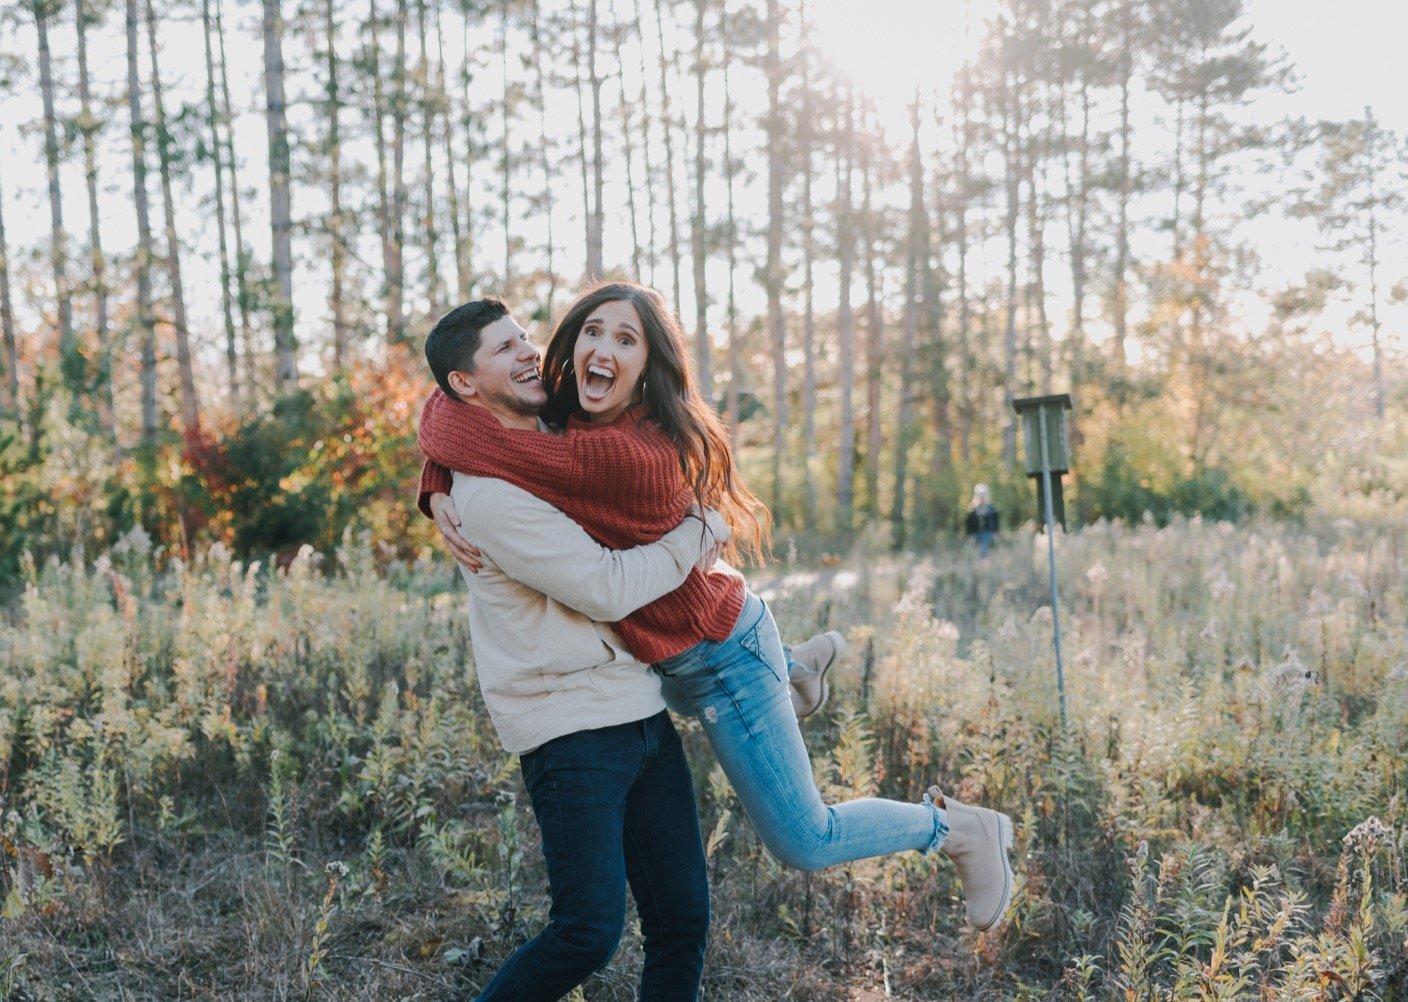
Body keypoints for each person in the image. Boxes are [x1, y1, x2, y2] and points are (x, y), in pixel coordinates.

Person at [416, 282, 1015, 933]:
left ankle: (959, 829)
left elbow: (479, 432)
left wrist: (450, 474)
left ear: (649, 368)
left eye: (626, 340)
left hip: (721, 656)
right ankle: (792, 666)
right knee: (701, 701)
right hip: (687, 656)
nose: (601, 349)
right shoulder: (570, 413)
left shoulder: (615, 453)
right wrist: (436, 482)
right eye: (591, 331)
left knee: (804, 839)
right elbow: (460, 410)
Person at [420, 298, 826, 1002]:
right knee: (591, 927)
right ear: (464, 383)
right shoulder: (487, 494)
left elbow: (451, 426)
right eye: (506, 348)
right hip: (567, 722)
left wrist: (428, 479)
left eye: (528, 336)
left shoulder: (545, 438)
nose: (533, 353)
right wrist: (701, 531)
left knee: (683, 912)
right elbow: (607, 585)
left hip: (632, 703)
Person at [965, 484, 1000, 556]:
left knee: (984, 547)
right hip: (976, 533)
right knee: (970, 549)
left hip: (987, 532)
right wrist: (969, 535)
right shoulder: (973, 510)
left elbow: (995, 521)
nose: (982, 498)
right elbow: (968, 523)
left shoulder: (991, 509)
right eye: (980, 496)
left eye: (983, 496)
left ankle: (983, 562)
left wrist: (995, 532)